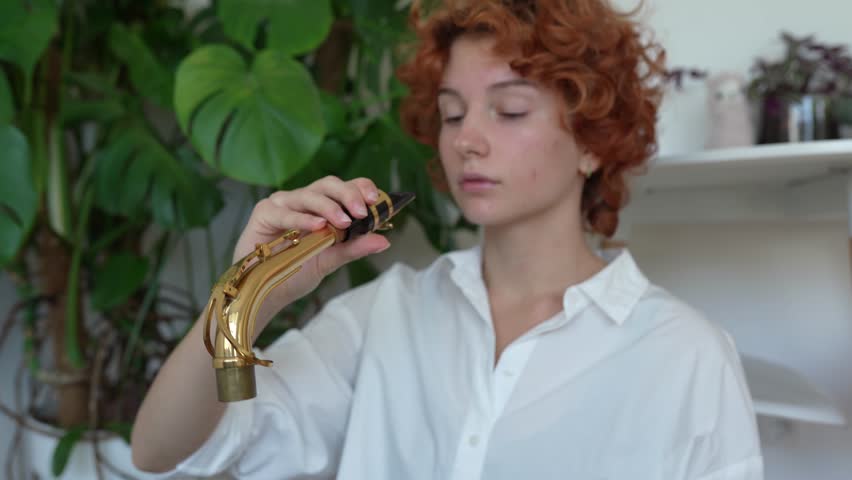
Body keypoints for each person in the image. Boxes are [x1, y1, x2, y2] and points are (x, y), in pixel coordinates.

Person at [131, 1, 764, 478]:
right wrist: (247, 294)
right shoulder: (384, 316)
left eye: (509, 110)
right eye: (452, 113)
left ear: (594, 142)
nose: (466, 139)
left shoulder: (686, 357)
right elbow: (163, 450)